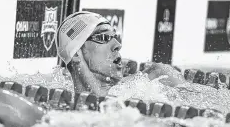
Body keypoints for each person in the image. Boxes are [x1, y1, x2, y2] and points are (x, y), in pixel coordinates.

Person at [55, 11, 187, 97]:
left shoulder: (156, 78)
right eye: (104, 37)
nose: (118, 44)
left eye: (115, 36)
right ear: (77, 54)